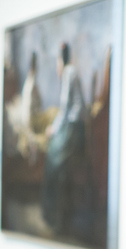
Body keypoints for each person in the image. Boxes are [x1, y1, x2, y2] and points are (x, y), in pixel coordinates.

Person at [41, 41, 88, 238]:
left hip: (73, 129)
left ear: (61, 60)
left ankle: (54, 219)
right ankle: (55, 218)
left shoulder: (69, 72)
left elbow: (66, 106)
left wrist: (53, 128)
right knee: (54, 164)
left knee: (53, 164)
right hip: (73, 128)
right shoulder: (71, 72)